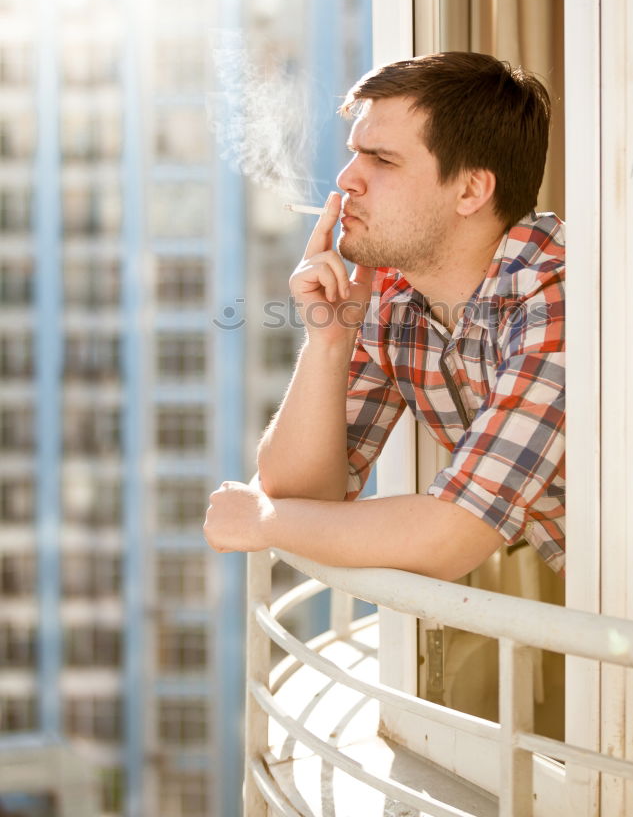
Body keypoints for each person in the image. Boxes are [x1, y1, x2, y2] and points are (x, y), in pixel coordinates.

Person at [203, 51, 565, 580]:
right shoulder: (393, 295)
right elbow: (299, 491)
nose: (347, 179)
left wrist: (263, 520)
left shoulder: (556, 299)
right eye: (354, 154)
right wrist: (328, 343)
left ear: (470, 190)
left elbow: (452, 536)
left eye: (383, 160)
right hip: (609, 589)